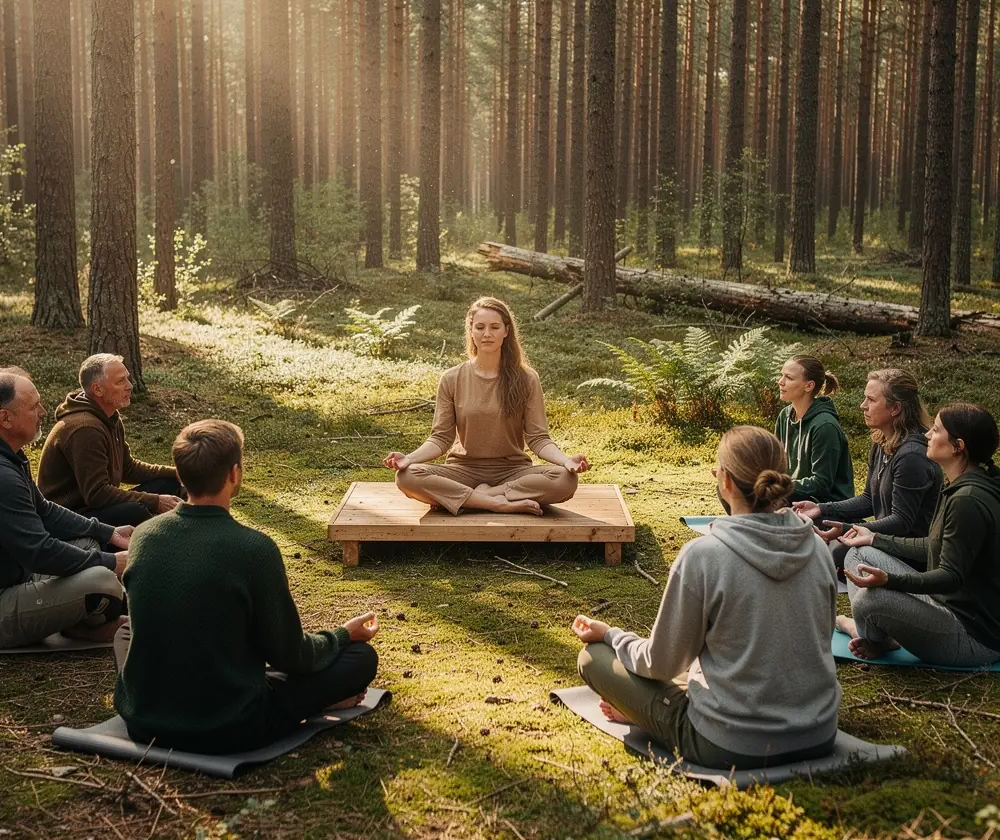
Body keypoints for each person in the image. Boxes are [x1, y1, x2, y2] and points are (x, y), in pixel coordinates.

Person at [572, 426, 839, 769]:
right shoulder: (818, 548)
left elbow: (661, 664)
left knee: (593, 658)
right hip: (818, 733)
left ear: (725, 481)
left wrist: (610, 635)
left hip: (729, 743)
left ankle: (641, 713)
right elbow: (818, 641)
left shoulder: (703, 556)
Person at [114, 419, 379, 754]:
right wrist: (342, 636)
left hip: (144, 722)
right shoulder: (254, 549)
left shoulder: (144, 536)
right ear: (235, 474)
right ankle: (320, 701)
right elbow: (290, 655)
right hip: (230, 725)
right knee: (360, 658)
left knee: (131, 634)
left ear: (179, 475)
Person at [385, 296, 589, 516]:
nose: (487, 334)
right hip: (462, 471)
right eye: (480, 327)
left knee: (565, 479)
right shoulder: (452, 378)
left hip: (512, 472)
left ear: (506, 331)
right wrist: (409, 458)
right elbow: (440, 439)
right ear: (471, 331)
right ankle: (495, 503)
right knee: (407, 476)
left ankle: (480, 496)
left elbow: (538, 439)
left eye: (494, 327)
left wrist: (566, 461)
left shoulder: (527, 378)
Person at [836, 403, 1000, 667]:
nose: (927, 435)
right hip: (943, 607)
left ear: (958, 446)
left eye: (935, 430)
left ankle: (865, 632)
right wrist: (875, 538)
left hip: (971, 638)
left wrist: (891, 580)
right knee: (858, 553)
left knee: (870, 599)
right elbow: (934, 546)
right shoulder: (960, 486)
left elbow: (950, 576)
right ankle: (876, 634)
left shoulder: (968, 500)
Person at [0, 368, 128, 650]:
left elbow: (45, 511)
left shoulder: (2, 452)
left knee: (88, 542)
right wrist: (112, 562)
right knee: (103, 582)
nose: (43, 412)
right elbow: (39, 551)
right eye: (34, 406)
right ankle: (81, 623)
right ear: (4, 418)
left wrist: (108, 532)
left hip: (16, 577)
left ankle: (76, 623)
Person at [793, 369, 942, 571]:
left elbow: (902, 522)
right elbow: (869, 500)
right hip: (883, 541)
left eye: (871, 400)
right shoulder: (882, 441)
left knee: (838, 552)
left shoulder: (912, 456)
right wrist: (821, 508)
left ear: (895, 408)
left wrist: (849, 529)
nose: (863, 405)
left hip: (909, 558)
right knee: (818, 522)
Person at [37, 353, 182, 527]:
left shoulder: (109, 416)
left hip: (93, 507)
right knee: (137, 510)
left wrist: (178, 472)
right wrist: (155, 501)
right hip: (71, 517)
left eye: (128, 379)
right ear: (97, 389)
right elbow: (97, 494)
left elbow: (127, 468)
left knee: (171, 483)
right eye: (120, 381)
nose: (130, 386)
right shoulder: (85, 429)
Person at [775, 355, 854, 506]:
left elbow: (821, 484)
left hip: (826, 507)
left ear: (809, 386)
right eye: (781, 375)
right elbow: (776, 465)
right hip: (792, 499)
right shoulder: (784, 416)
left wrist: (779, 486)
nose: (780, 381)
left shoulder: (825, 426)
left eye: (789, 378)